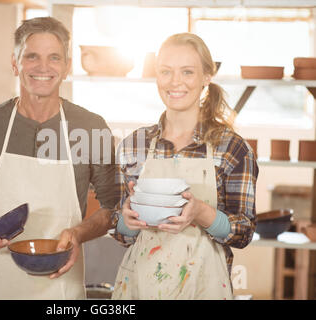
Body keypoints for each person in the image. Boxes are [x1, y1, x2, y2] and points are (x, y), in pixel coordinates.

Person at [0, 17, 120, 300]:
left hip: (61, 284)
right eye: (32, 57)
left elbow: (111, 207)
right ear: (15, 63)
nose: (43, 67)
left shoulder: (90, 127)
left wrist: (78, 234)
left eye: (54, 58)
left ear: (66, 67)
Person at [110, 33, 258, 300]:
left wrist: (201, 212)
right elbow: (121, 234)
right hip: (140, 288)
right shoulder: (134, 145)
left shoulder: (232, 149)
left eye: (187, 72)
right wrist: (127, 221)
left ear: (206, 77)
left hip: (203, 288)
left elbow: (244, 232)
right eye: (165, 72)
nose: (175, 82)